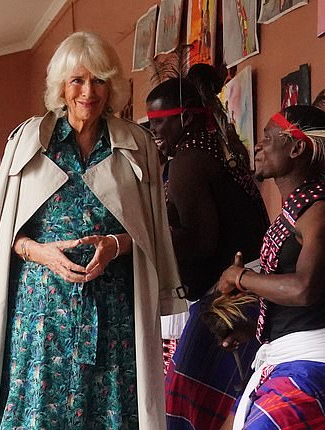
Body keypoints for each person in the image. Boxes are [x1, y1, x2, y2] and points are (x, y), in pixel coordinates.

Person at [0, 31, 186, 430]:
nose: (89, 91)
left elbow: (152, 232)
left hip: (114, 308)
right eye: (78, 80)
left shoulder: (135, 144)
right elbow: (5, 233)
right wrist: (41, 252)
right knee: (37, 409)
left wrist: (115, 244)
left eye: (100, 80)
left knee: (112, 409)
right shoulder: (29, 141)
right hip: (41, 311)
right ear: (61, 86)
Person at [146, 78, 269, 429]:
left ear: (184, 120)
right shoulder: (216, 147)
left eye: (158, 121)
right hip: (244, 290)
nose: (153, 130)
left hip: (228, 296)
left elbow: (201, 241)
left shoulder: (189, 161)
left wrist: (144, 241)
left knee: (188, 406)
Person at [218, 105, 325, 429]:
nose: (259, 146)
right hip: (285, 357)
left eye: (268, 137)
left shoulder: (318, 209)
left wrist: (241, 278)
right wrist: (254, 331)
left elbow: (305, 289)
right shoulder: (298, 209)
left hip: (309, 365)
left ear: (296, 147)